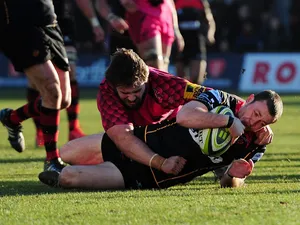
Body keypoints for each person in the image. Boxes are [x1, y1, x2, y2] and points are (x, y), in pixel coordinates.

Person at [56, 48, 275, 171]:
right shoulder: (107, 92)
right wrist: (158, 163)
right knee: (67, 153)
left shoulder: (165, 84)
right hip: (133, 139)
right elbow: (123, 138)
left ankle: (217, 162)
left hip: (168, 139)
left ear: (147, 80)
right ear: (115, 87)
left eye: (137, 91)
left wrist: (252, 118)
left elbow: (212, 95)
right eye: (126, 93)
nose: (131, 97)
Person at [38, 89, 283, 190]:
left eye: (263, 122)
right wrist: (229, 122)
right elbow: (186, 116)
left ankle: (90, 173)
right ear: (249, 99)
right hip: (135, 140)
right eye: (256, 113)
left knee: (67, 177)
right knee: (65, 152)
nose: (255, 122)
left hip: (144, 175)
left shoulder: (257, 142)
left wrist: (235, 175)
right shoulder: (219, 98)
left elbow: (228, 183)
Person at [0, 0, 71, 171]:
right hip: (19, 25)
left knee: (63, 100)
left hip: (49, 21)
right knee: (51, 91)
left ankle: (12, 118)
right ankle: (52, 161)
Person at [29, 0, 105, 147]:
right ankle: (40, 130)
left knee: (70, 71)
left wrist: (95, 23)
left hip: (62, 23)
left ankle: (73, 128)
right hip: (34, 22)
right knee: (36, 81)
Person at [118, 0, 185, 71]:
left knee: (164, 68)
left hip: (166, 16)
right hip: (146, 14)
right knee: (154, 63)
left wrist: (176, 29)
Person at [174, 0, 216, 84]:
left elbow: (210, 20)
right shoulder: (175, 2)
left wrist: (210, 34)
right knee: (180, 79)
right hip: (181, 41)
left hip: (197, 41)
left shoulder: (201, 2)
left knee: (197, 79)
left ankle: (195, 95)